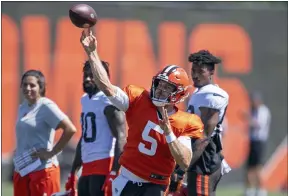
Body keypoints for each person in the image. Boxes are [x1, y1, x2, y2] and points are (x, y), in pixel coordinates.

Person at [80, 29, 205, 196]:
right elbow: (106, 87)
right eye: (160, 83)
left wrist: (168, 133)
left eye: (167, 87)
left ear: (179, 94)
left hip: (156, 184)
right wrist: (92, 53)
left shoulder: (185, 121)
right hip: (126, 178)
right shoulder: (138, 98)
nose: (161, 89)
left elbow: (184, 161)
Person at [65, 61, 127, 196]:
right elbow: (85, 137)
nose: (88, 79)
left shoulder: (109, 99)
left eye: (93, 75)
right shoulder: (85, 100)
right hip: (87, 165)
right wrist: (74, 171)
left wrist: (114, 171)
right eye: (86, 75)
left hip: (104, 163)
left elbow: (121, 137)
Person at [13, 70, 77, 196]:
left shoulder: (46, 105)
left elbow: (70, 129)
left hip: (42, 171)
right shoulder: (23, 107)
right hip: (22, 170)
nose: (28, 88)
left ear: (40, 87)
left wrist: (52, 152)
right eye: (25, 84)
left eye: (32, 85)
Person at [176, 50, 230, 196]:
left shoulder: (211, 94)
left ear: (212, 71)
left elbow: (204, 137)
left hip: (204, 158)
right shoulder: (199, 92)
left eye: (201, 71)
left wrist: (182, 168)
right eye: (193, 70)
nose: (195, 75)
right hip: (197, 156)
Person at [242, 92, 271, 196]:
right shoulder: (252, 111)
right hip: (253, 141)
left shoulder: (263, 111)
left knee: (258, 167)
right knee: (250, 167)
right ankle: (249, 190)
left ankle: (261, 190)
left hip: (259, 142)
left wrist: (247, 118)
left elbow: (258, 125)